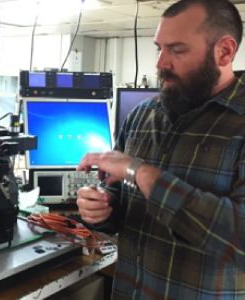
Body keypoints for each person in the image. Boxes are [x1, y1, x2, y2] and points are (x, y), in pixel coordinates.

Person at [76, 0, 245, 299]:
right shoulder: (142, 116)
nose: (160, 63)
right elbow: (119, 196)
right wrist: (100, 209)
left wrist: (143, 173)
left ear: (225, 51)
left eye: (177, 50)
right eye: (159, 48)